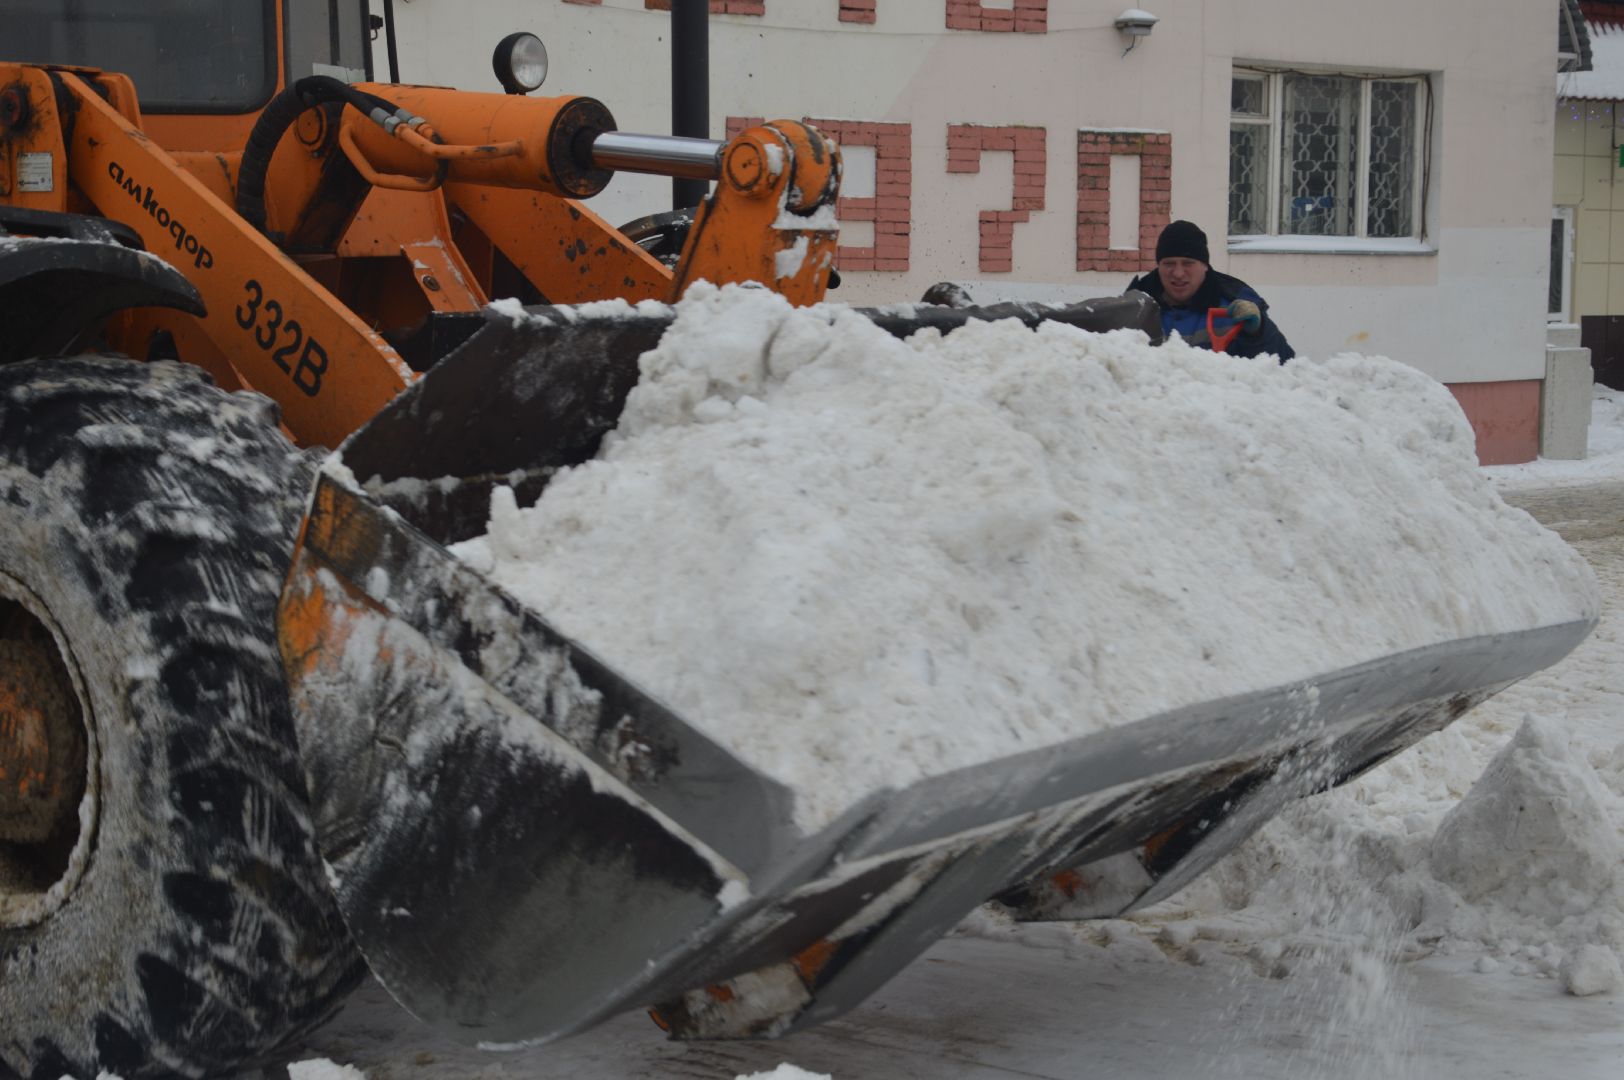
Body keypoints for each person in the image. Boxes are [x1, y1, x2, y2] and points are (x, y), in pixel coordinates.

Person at [1126, 220, 1294, 361]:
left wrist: (1259, 333)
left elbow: (1284, 366)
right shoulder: (1135, 308)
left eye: (1188, 263)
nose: (1178, 273)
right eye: (1169, 263)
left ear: (1205, 265)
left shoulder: (1233, 305)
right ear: (1159, 266)